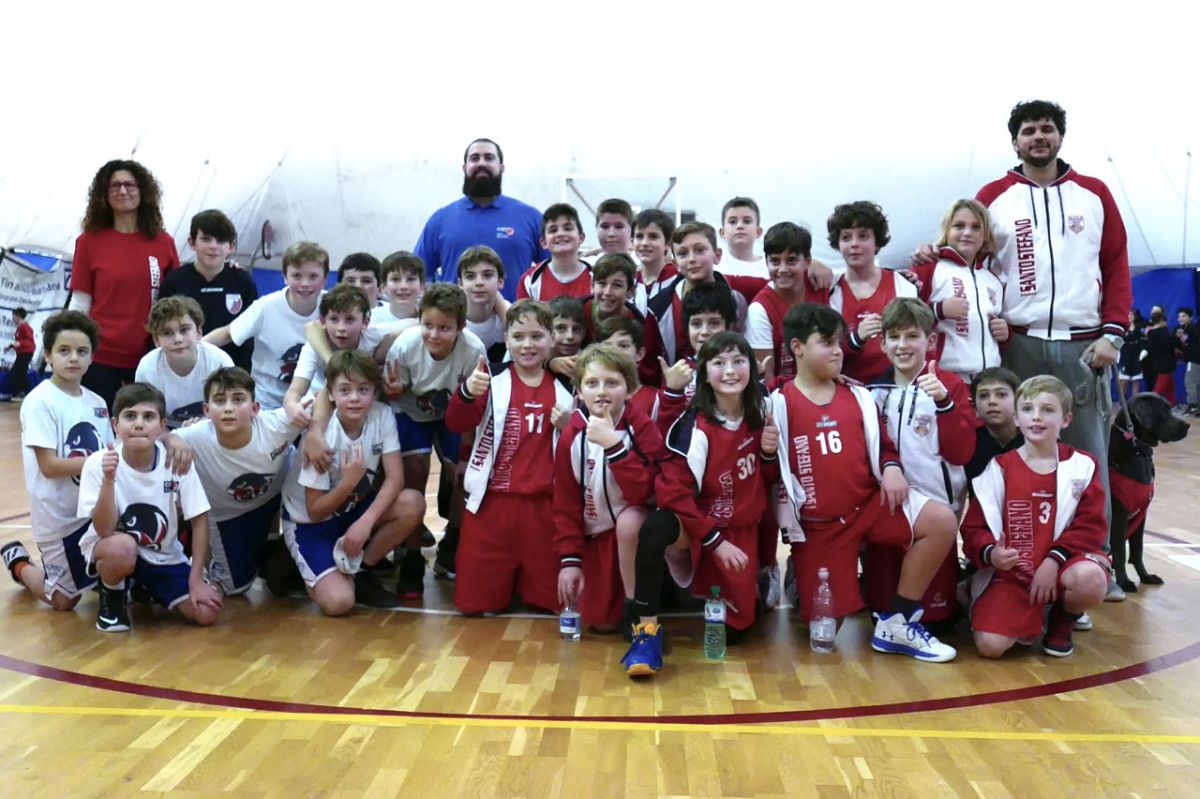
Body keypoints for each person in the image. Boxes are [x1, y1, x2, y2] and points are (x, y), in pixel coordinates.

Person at [929, 101, 1131, 547]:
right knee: (1011, 456)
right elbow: (966, 253)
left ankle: (1093, 558)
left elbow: (1116, 264)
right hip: (1016, 345)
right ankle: (1014, 556)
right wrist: (931, 258)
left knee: (1087, 457)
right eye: (1028, 131)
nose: (1038, 137)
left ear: (1060, 136)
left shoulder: (1094, 193)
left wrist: (1113, 333)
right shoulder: (994, 194)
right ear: (1015, 141)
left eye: (1046, 129)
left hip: (1084, 346)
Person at [769, 303, 958, 662]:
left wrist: (892, 467)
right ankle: (800, 580)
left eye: (839, 343)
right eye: (827, 343)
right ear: (797, 347)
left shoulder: (859, 395)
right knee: (824, 633)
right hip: (820, 528)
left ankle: (899, 620)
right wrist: (766, 453)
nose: (838, 351)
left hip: (868, 507)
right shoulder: (776, 401)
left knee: (941, 521)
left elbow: (884, 446)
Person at [621, 332, 780, 676]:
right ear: (704, 373)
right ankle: (645, 632)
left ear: (751, 368)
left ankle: (756, 582)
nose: (730, 370)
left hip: (739, 528)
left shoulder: (762, 411)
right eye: (719, 363)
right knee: (655, 526)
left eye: (738, 361)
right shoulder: (693, 425)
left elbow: (768, 481)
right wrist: (715, 541)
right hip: (696, 527)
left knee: (737, 633)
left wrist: (768, 454)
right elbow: (672, 495)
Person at [961, 375, 1109, 658]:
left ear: (1066, 419)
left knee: (1090, 580)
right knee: (991, 647)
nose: (1036, 416)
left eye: (1047, 409)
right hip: (1014, 575)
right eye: (1028, 409)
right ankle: (1017, 608)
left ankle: (1062, 618)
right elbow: (973, 528)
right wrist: (992, 553)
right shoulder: (998, 468)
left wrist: (1054, 561)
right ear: (1017, 419)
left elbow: (1091, 527)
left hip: (1064, 566)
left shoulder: (1082, 466)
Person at [445, 299, 574, 614]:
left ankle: (522, 580)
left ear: (552, 339)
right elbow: (456, 423)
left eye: (537, 336)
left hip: (545, 508)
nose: (527, 345)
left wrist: (571, 427)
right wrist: (466, 393)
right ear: (506, 339)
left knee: (559, 604)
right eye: (518, 336)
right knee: (472, 605)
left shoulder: (569, 386)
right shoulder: (489, 378)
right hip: (491, 504)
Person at [860, 298, 976, 627]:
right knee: (880, 608)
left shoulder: (950, 386)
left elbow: (962, 453)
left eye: (912, 336)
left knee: (937, 616)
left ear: (931, 341)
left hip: (937, 507)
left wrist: (943, 402)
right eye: (894, 337)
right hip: (889, 505)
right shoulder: (873, 392)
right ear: (882, 344)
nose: (903, 345)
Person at [282, 351, 426, 612]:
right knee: (339, 603)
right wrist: (349, 482)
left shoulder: (382, 415)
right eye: (345, 390)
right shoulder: (320, 437)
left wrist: (365, 523)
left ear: (374, 392)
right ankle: (292, 564)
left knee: (412, 503)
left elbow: (395, 479)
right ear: (330, 394)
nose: (355, 398)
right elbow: (314, 511)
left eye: (363, 389)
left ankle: (361, 571)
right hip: (309, 524)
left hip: (351, 511)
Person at [77, 383, 220, 632]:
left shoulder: (176, 461)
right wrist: (109, 480)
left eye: (148, 417)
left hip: (163, 555)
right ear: (115, 425)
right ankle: (112, 597)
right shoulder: (98, 463)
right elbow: (104, 529)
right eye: (130, 416)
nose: (139, 424)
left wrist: (196, 579)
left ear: (163, 426)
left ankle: (143, 586)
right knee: (122, 548)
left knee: (207, 613)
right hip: (115, 547)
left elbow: (199, 520)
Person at [2, 312, 114, 610]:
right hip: (58, 519)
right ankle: (19, 563)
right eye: (64, 350)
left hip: (94, 513)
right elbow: (49, 466)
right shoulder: (40, 401)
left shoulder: (98, 403)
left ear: (92, 357)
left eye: (82, 351)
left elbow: (109, 453)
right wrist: (102, 462)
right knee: (64, 600)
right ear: (49, 355)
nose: (74, 358)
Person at [555, 344, 663, 632]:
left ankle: (639, 608)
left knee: (630, 521)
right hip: (596, 536)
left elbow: (643, 494)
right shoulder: (571, 434)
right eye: (592, 383)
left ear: (630, 390)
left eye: (612, 383)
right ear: (578, 391)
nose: (601, 391)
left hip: (637, 534)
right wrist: (570, 559)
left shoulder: (643, 427)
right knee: (599, 623)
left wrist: (614, 446)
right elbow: (565, 503)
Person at [381, 284, 485, 582]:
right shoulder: (405, 346)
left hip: (454, 415)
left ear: (461, 327)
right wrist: (394, 389)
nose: (434, 334)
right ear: (419, 320)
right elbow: (391, 394)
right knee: (414, 471)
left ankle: (451, 545)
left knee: (464, 476)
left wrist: (464, 456)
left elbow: (473, 408)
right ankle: (411, 553)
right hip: (412, 412)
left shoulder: (474, 350)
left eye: (444, 328)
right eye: (428, 325)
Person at [170, 367, 304, 596]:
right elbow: (151, 442)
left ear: (255, 408)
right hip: (227, 516)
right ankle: (207, 559)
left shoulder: (276, 423)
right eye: (220, 401)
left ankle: (280, 551)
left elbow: (324, 397)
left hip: (278, 497)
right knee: (234, 588)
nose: (228, 408)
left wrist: (315, 436)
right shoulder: (193, 436)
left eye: (238, 400)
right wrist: (170, 438)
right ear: (206, 410)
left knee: (306, 472)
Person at [68, 159, 180, 408]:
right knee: (99, 426)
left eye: (130, 185)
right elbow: (80, 302)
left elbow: (177, 299)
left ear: (143, 191)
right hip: (100, 358)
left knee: (146, 424)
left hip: (151, 356)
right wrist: (71, 347)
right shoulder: (88, 241)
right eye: (114, 185)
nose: (122, 191)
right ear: (103, 194)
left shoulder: (163, 242)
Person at [414, 138, 547, 299]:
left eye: (489, 158)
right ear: (465, 168)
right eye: (474, 158)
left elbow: (554, 270)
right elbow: (417, 275)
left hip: (514, 315)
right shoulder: (440, 220)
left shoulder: (531, 218)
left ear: (501, 168)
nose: (481, 163)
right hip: (455, 316)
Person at [204, 241, 328, 410]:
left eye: (313, 276)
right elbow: (228, 333)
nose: (305, 283)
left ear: (325, 279)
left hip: (313, 399)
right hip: (267, 399)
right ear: (285, 277)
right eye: (297, 276)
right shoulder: (265, 307)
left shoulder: (332, 308)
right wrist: (195, 347)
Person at [909, 199, 1008, 382]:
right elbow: (903, 317)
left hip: (986, 381)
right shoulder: (929, 268)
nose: (967, 233)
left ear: (985, 235)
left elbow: (989, 332)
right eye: (959, 226)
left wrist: (1004, 335)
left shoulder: (993, 280)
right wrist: (938, 310)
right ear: (947, 230)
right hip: (944, 378)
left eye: (976, 227)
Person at [827, 201, 919, 384]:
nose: (854, 244)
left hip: (894, 387)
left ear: (877, 243)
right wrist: (855, 339)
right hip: (844, 387)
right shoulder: (829, 288)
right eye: (846, 237)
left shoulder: (903, 286)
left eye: (863, 236)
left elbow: (914, 344)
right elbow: (823, 350)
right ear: (838, 244)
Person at [649, 222, 766, 363]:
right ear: (675, 264)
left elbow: (781, 282)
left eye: (699, 250)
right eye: (683, 253)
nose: (692, 259)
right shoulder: (658, 307)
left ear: (717, 255)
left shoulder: (742, 289)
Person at [160, 209, 258, 371]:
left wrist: (242, 373)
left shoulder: (243, 281)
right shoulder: (175, 281)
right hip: (185, 369)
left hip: (230, 371)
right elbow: (162, 328)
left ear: (231, 246)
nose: (213, 246)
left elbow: (250, 333)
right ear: (192, 242)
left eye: (221, 241)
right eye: (206, 239)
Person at [747, 222, 829, 384]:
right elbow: (765, 380)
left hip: (825, 385)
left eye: (791, 261)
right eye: (775, 261)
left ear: (807, 262)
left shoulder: (823, 285)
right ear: (766, 262)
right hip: (783, 393)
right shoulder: (760, 309)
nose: (783, 269)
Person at [135, 296, 234, 428]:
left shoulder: (219, 361)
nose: (178, 339)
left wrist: (203, 427)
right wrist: (175, 436)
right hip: (166, 431)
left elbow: (231, 411)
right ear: (156, 340)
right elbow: (146, 419)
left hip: (213, 428)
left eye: (184, 330)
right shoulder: (147, 368)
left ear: (199, 332)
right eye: (167, 333)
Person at [581, 253, 664, 388]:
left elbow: (650, 375)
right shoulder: (578, 312)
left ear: (630, 291)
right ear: (592, 285)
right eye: (602, 283)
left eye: (617, 285)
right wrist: (552, 362)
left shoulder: (641, 324)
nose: (608, 292)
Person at [516, 203, 592, 302]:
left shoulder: (596, 277)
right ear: (543, 242)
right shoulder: (529, 280)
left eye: (568, 228)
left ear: (581, 237)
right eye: (553, 230)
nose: (560, 234)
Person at [964, 367, 1025, 482]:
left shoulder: (1036, 439)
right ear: (975, 408)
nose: (992, 401)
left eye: (1001, 394)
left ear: (1019, 402)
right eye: (983, 396)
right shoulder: (968, 444)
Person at [458, 246, 510, 362]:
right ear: (460, 284)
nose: (479, 282)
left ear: (500, 281)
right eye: (470, 276)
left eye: (487, 275)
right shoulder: (451, 318)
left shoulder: (509, 312)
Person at [631, 209, 678, 313]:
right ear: (632, 242)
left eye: (653, 237)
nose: (644, 243)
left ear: (668, 243)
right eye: (639, 236)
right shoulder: (629, 283)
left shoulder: (678, 282)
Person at [717, 196, 766, 277]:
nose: (740, 226)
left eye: (747, 221)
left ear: (758, 232)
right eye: (733, 222)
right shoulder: (715, 268)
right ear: (722, 232)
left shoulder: (769, 269)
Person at [374, 251, 425, 326]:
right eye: (395, 279)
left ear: (421, 286)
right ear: (383, 286)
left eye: (410, 279)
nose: (403, 286)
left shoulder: (433, 319)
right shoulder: (371, 319)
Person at [1143, 310, 1179, 404]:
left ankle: (1172, 402)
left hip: (1158, 362)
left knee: (1169, 384)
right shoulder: (1163, 333)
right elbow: (1170, 345)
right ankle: (1152, 403)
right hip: (1165, 363)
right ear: (1162, 321)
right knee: (1159, 387)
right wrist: (1177, 338)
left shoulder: (1151, 334)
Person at [3, 307, 35, 400]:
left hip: (26, 353)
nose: (12, 318)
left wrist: (20, 343)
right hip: (22, 353)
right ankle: (27, 393)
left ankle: (18, 394)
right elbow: (19, 342)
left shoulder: (24, 327)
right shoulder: (20, 328)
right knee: (21, 373)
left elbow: (30, 340)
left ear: (17, 316)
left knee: (16, 373)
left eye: (13, 316)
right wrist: (10, 347)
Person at [1117, 309, 1146, 399]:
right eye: (1128, 315)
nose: (1129, 317)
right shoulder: (1121, 328)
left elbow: (1142, 341)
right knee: (1123, 380)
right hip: (1125, 356)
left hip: (1136, 356)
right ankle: (1122, 401)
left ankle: (1135, 401)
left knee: (1136, 381)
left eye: (1131, 315)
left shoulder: (1139, 328)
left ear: (1134, 317)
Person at [1175, 308, 1199, 414]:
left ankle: (1193, 405)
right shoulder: (1182, 329)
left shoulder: (1191, 329)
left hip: (1194, 359)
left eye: (1184, 316)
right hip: (1191, 359)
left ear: (1190, 318)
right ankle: (1197, 406)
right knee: (1196, 382)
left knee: (1190, 381)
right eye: (1179, 316)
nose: (1181, 318)